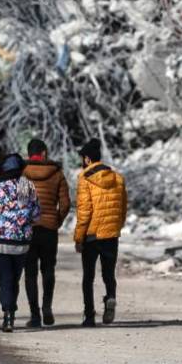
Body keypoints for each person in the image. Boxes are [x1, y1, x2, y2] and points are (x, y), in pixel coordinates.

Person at [73, 139, 127, 327]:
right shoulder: (118, 178)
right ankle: (110, 296)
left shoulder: (85, 178)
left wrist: (78, 238)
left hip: (91, 236)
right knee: (108, 274)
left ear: (87, 159)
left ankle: (89, 316)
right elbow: (122, 209)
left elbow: (85, 211)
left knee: (88, 277)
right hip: (111, 235)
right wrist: (116, 227)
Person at [0, 153, 41, 332]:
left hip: (0, 241)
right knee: (14, 279)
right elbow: (36, 214)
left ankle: (8, 313)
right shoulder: (28, 185)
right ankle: (10, 313)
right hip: (22, 243)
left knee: (5, 279)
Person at [22, 138, 71, 327]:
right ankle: (47, 307)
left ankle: (35, 315)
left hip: (29, 228)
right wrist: (57, 220)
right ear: (44, 153)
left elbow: (18, 200)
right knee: (48, 269)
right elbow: (65, 203)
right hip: (49, 229)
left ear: (29, 154)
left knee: (30, 273)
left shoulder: (22, 172)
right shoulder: (57, 173)